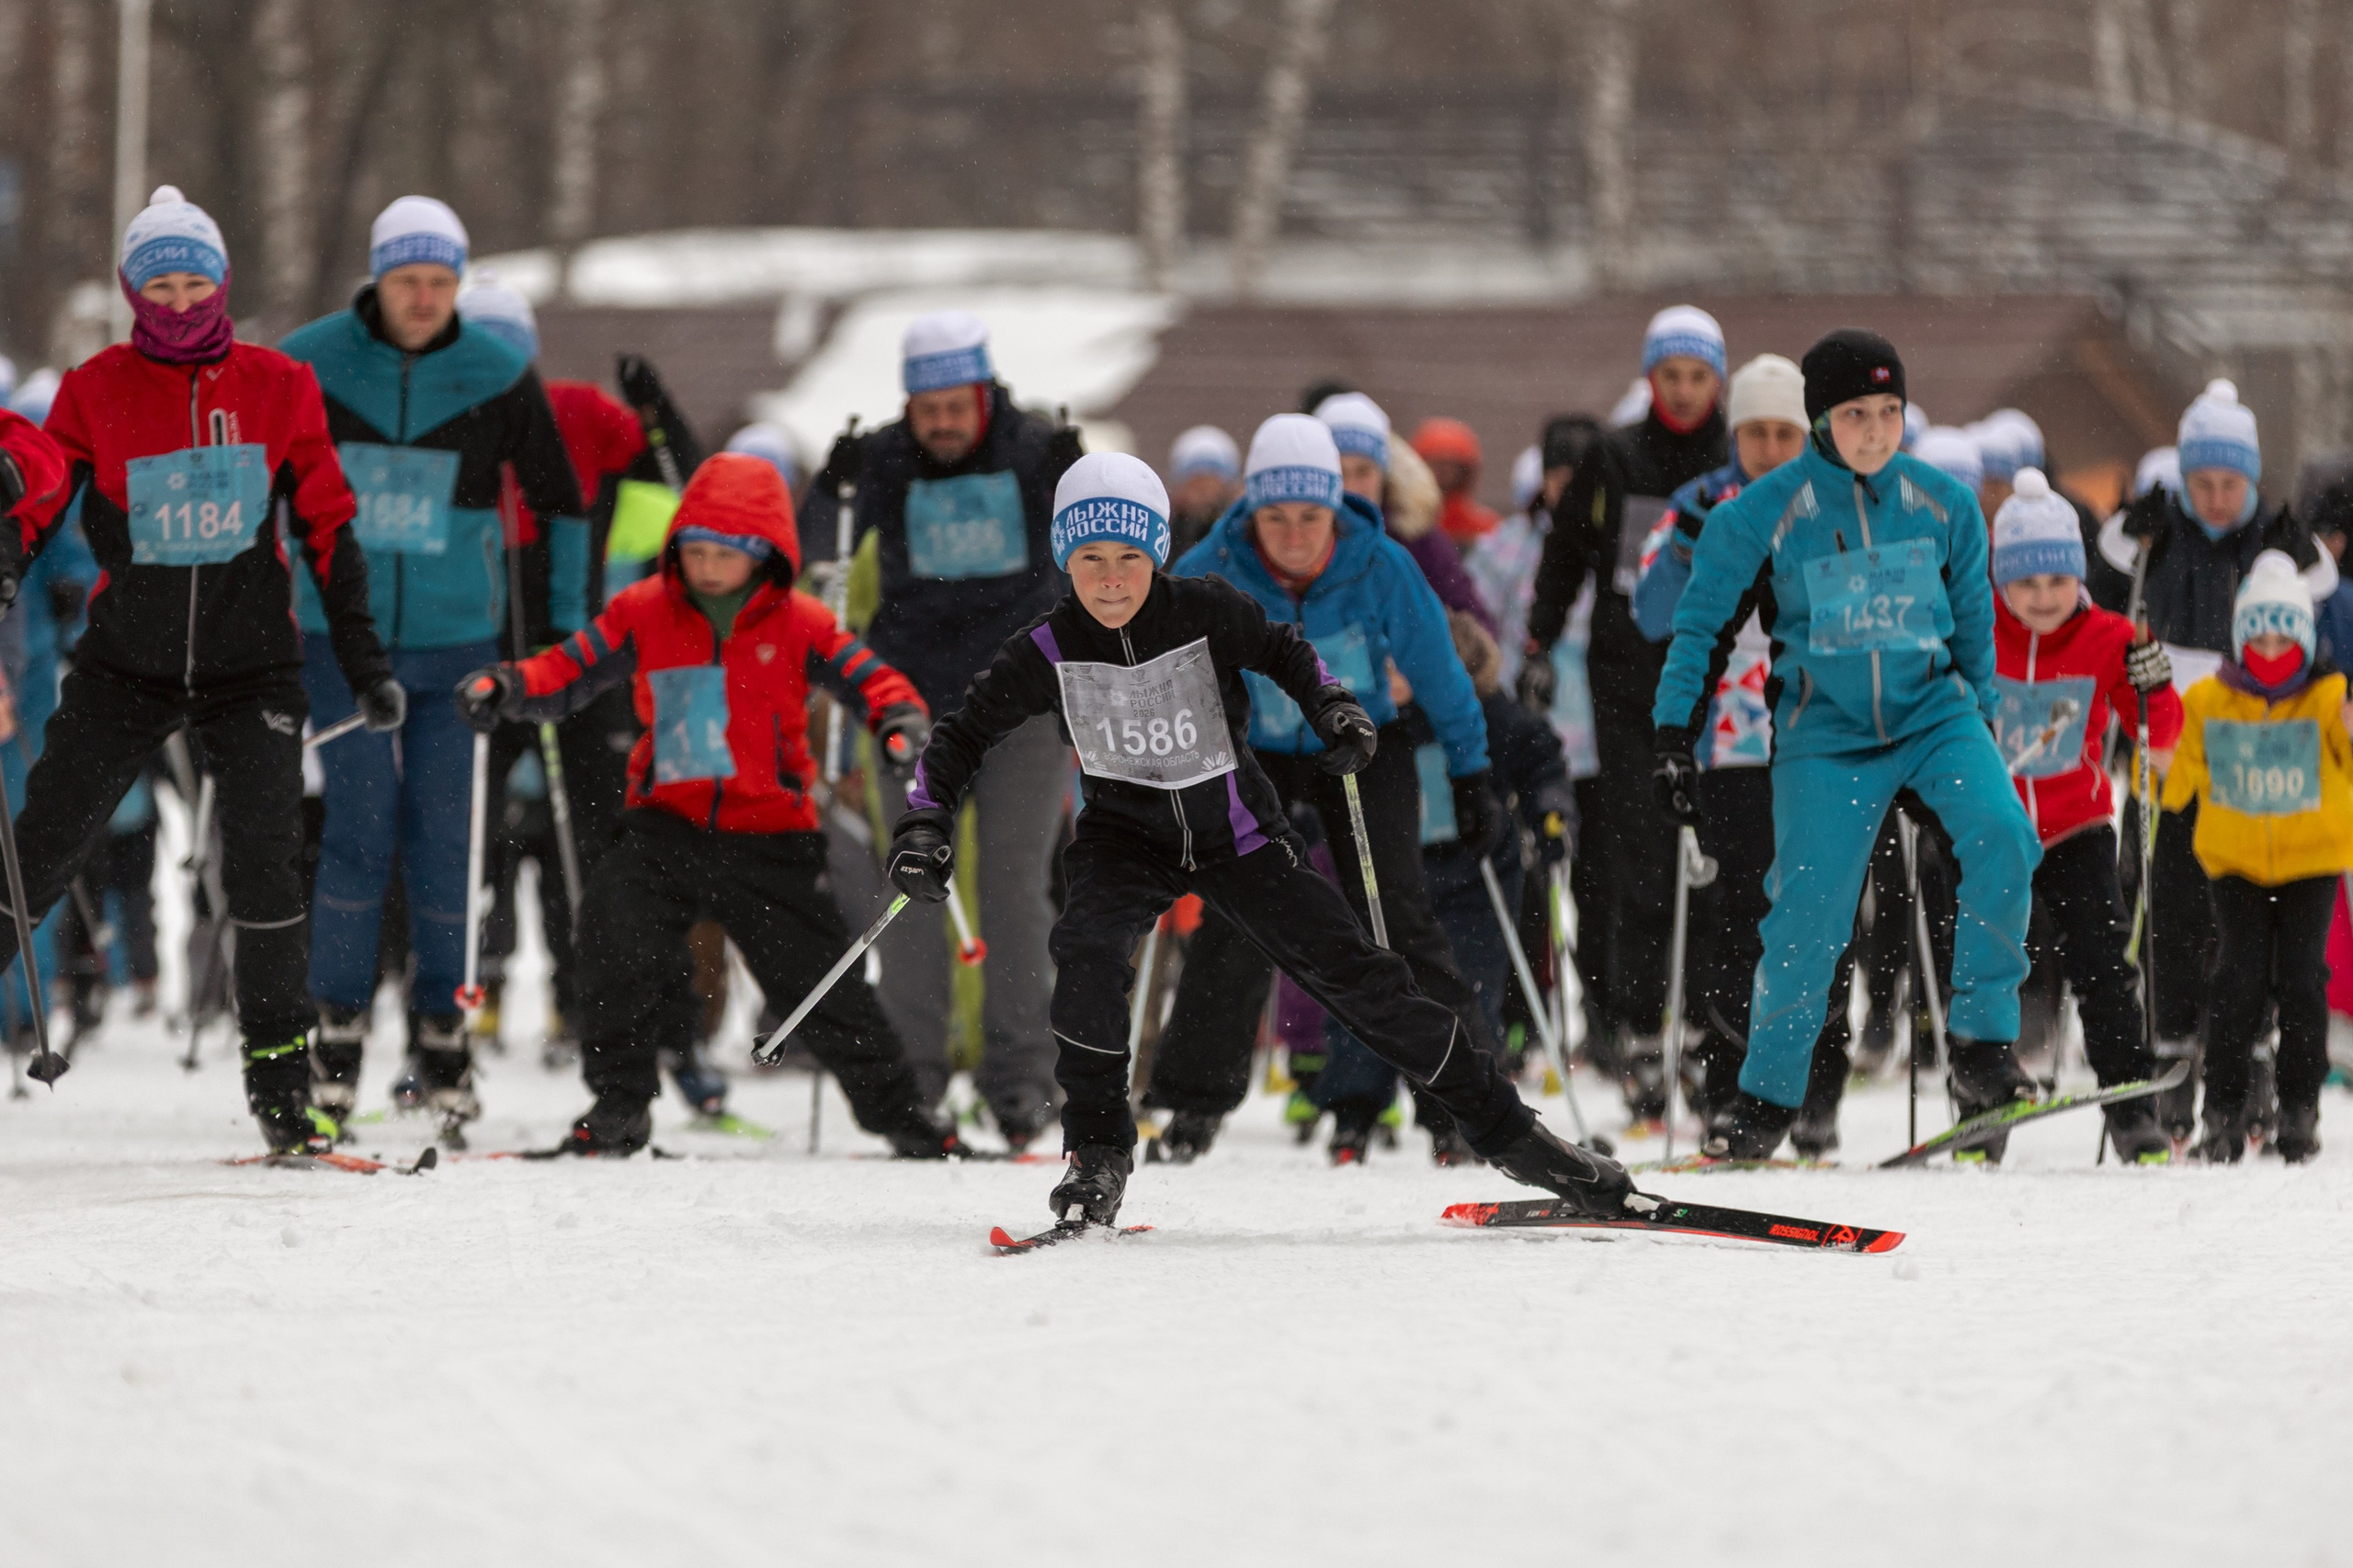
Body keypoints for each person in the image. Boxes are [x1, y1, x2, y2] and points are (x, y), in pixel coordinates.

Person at [886, 451, 1630, 1226]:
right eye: (1090, 560)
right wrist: (924, 823)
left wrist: (1333, 707)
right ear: (1064, 560)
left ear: (1158, 555)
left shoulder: (1202, 609)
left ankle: (1516, 1138)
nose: (1111, 580)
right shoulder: (1046, 648)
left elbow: (1286, 651)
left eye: (1130, 559)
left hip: (1233, 832)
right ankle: (1099, 1154)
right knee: (1086, 953)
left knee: (1363, 975)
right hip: (1122, 840)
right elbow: (958, 738)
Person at [7, 186, 400, 1152]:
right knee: (41, 844)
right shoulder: (94, 388)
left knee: (266, 870)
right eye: (161, 287)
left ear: (221, 283)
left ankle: (281, 1087)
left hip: (250, 667)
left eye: (195, 283)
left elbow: (328, 524)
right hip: (123, 667)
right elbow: (41, 499)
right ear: (134, 294)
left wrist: (361, 658)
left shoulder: (278, 385)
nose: (180, 304)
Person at [459, 453, 952, 1155]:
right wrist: (508, 686)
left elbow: (873, 680)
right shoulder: (643, 611)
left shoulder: (801, 622)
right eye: (694, 552)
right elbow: (568, 669)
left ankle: (905, 1117)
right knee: (612, 938)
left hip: (771, 834)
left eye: (726, 554)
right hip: (665, 825)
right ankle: (620, 1105)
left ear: (765, 557)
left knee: (823, 983)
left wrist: (899, 720)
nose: (708, 568)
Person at [1653, 328, 2041, 1159]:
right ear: (1821, 421)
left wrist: (1978, 719)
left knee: (2005, 835)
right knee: (1807, 915)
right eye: (1857, 414)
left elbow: (1975, 621)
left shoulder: (1945, 503)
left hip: (1935, 716)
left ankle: (1979, 1050)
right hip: (1825, 736)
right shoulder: (1761, 513)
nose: (1876, 431)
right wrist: (1672, 735)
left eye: (1891, 412)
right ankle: (1764, 1101)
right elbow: (1699, 630)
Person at [281, 196, 588, 1136]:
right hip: (343, 636)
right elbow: (258, 470)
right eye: (408, 281)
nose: (424, 299)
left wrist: (559, 640)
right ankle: (334, 1032)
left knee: (448, 841)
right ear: (378, 279)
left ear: (459, 283)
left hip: (460, 642)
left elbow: (560, 503)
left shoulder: (496, 372)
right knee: (360, 828)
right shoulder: (310, 359)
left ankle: (442, 1031)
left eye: (441, 282)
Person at [1142, 415, 1506, 1162]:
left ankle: (1464, 1103)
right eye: (1275, 519)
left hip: (1365, 743)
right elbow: (1162, 668)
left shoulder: (1381, 562)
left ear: (1335, 512)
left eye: (1311, 519)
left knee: (1397, 915)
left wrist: (1472, 772)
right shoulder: (1216, 564)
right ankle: (1192, 1101)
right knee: (1240, 917)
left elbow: (1439, 672)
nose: (1295, 537)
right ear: (1252, 512)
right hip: (1262, 753)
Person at [812, 311, 1081, 1147]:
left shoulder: (1035, 452)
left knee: (1012, 891)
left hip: (1021, 702)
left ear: (982, 392)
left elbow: (1101, 538)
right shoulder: (886, 460)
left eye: (953, 404)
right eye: (925, 407)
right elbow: (814, 549)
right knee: (913, 891)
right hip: (912, 707)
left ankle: (1024, 1079)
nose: (940, 422)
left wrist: (1083, 478)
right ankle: (916, 1080)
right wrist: (831, 486)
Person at [2089, 379, 2335, 1136]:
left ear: (2253, 481)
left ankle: (2248, 1057)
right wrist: (2137, 525)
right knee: (2170, 905)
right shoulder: (2163, 534)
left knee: (2246, 919)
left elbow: (2320, 584)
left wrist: (2295, 548)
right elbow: (2107, 569)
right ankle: (2172, 1053)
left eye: (2233, 483)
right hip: (2168, 726)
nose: (2219, 497)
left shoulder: (2269, 534)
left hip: (2246, 736)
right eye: (2203, 482)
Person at [1629, 352, 1860, 1144]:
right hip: (1730, 740)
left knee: (1825, 911)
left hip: (1821, 731)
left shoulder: (1837, 498)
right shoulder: (1701, 503)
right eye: (1756, 432)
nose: (1769, 447)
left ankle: (1819, 1086)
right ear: (1736, 435)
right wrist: (1688, 554)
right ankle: (1731, 1087)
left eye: (1784, 432)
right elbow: (1652, 617)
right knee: (1740, 918)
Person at [1520, 306, 1731, 1124]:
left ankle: (1709, 1036)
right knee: (1640, 864)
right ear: (1650, 380)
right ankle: (1639, 1035)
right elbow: (1566, 553)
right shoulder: (1615, 456)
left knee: (1712, 866)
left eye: (1698, 377)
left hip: (1717, 682)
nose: (1683, 392)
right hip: (1629, 682)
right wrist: (1539, 642)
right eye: (1670, 377)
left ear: (1718, 381)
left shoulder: (1734, 454)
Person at [1989, 469, 2181, 1163]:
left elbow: (2158, 737)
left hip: (2078, 827)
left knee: (2102, 963)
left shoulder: (2109, 636)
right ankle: (1984, 1094)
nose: (2043, 599)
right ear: (2001, 583)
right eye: (2025, 584)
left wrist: (2153, 686)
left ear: (2078, 576)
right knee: (1987, 965)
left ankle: (2130, 1101)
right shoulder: (1979, 632)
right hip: (1995, 828)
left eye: (2057, 582)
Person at [2159, 551, 2347, 1164]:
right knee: (2236, 982)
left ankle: (2299, 1106)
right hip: (2234, 863)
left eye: (2283, 634)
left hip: (2311, 862)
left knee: (2301, 982)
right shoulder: (2211, 699)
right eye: (2257, 634)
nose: (2270, 648)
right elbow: (2178, 778)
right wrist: (2154, 733)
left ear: (2304, 638)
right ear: (2240, 639)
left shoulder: (2328, 697)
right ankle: (2224, 1109)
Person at [1314, 392, 1495, 632]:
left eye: (1364, 471)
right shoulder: (1290, 535)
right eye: (1339, 472)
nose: (1351, 487)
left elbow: (1474, 624)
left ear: (1383, 474)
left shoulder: (1418, 538)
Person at [1412, 417, 1500, 551]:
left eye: (1453, 465)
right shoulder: (1404, 518)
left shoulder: (1483, 525)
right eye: (1438, 464)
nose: (1445, 472)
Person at [1165, 425, 1240, 560]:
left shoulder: (1241, 535)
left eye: (1211, 484)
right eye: (1198, 485)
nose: (1205, 495)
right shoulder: (1165, 538)